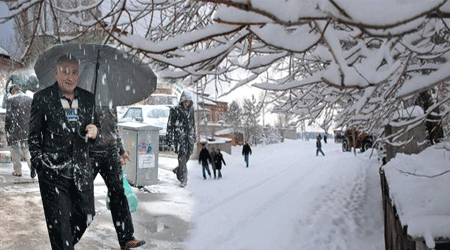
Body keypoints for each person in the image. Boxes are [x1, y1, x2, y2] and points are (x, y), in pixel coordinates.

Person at [28, 55, 100, 250]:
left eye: (74, 72)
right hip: (53, 174)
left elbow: (94, 128)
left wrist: (95, 131)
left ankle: (65, 240)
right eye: (65, 72)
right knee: (60, 227)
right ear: (56, 73)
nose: (70, 77)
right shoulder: (42, 98)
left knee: (87, 215)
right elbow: (33, 136)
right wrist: (40, 163)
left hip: (81, 173)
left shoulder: (87, 98)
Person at [90, 107, 146, 250]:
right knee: (80, 196)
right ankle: (67, 240)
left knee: (118, 194)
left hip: (111, 154)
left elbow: (114, 130)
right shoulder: (85, 96)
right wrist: (89, 131)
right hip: (90, 154)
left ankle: (126, 238)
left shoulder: (110, 101)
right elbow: (75, 128)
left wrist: (121, 150)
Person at [166, 91, 196, 187]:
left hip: (189, 138)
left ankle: (178, 170)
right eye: (185, 101)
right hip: (180, 138)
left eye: (188, 101)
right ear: (182, 101)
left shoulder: (191, 110)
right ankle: (183, 179)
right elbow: (170, 125)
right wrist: (169, 138)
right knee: (182, 158)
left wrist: (194, 136)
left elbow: (193, 124)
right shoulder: (175, 110)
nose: (186, 103)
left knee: (187, 156)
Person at [5, 84, 34, 178]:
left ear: (12, 91)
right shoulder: (29, 99)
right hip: (26, 130)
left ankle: (18, 171)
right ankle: (32, 167)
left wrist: (8, 131)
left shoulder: (10, 100)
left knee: (15, 150)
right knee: (26, 150)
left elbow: (8, 117)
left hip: (15, 130)